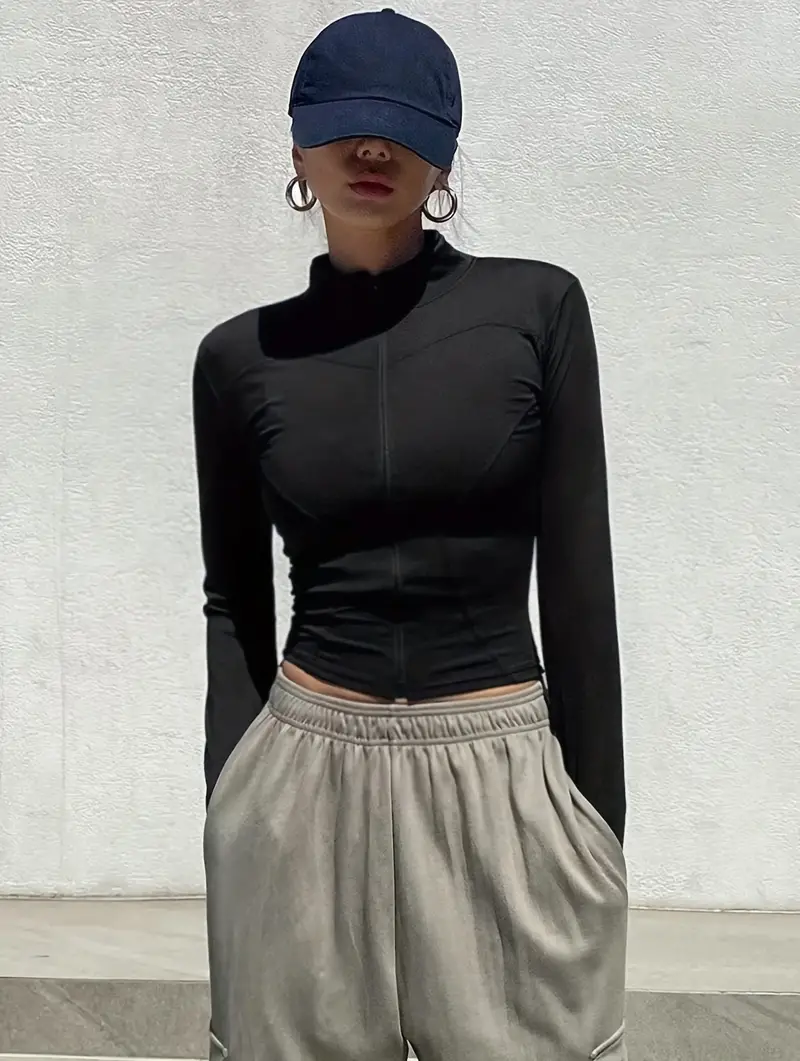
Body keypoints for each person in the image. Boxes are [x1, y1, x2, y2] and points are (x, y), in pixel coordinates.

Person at [193, 8, 628, 1061]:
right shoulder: (240, 359)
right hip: (300, 785)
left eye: (400, 127)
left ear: (443, 159)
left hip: (502, 775)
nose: (371, 149)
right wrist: (231, 809)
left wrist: (597, 831)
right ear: (297, 149)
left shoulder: (536, 310)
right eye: (344, 124)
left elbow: (580, 583)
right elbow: (233, 601)